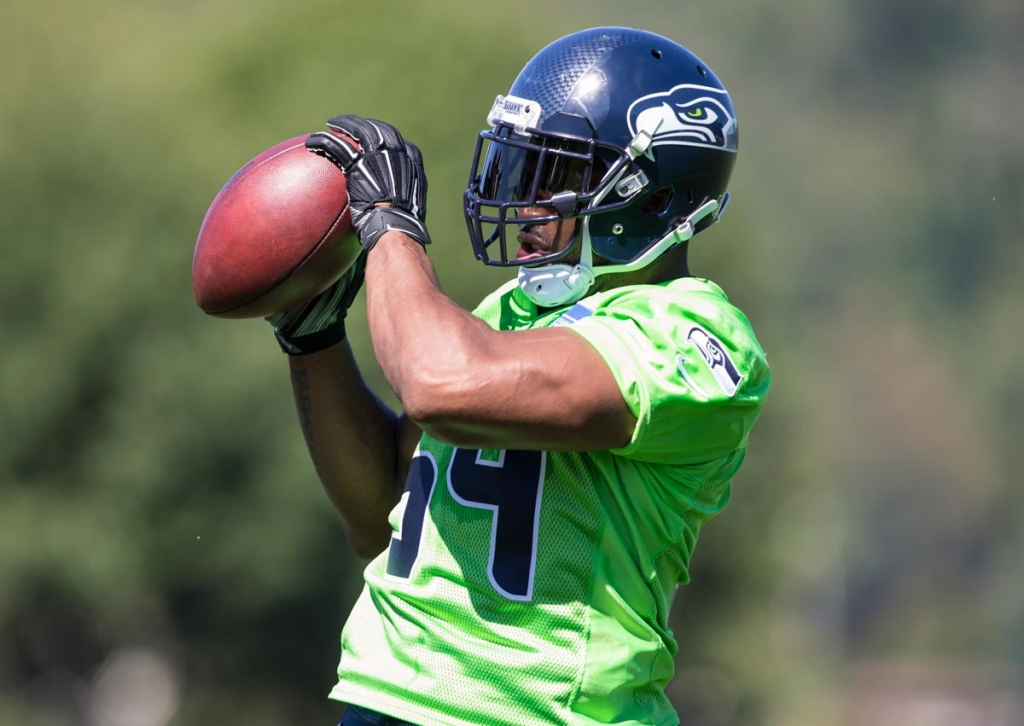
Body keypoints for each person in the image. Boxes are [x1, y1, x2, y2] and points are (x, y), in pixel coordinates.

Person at [266, 26, 770, 726]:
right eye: (520, 170)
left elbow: (438, 383)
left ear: (653, 197)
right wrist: (314, 341)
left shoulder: (695, 339)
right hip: (382, 699)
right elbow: (379, 516)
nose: (525, 204)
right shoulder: (515, 309)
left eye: (556, 179)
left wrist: (388, 227)